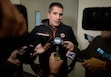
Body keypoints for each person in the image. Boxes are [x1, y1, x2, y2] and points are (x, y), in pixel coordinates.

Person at [29, 2, 78, 77]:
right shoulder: (38, 29)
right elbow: (29, 47)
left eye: (60, 14)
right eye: (55, 13)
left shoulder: (68, 29)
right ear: (48, 14)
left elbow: (75, 48)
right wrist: (32, 64)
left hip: (62, 70)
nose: (58, 17)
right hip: (44, 71)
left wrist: (73, 64)